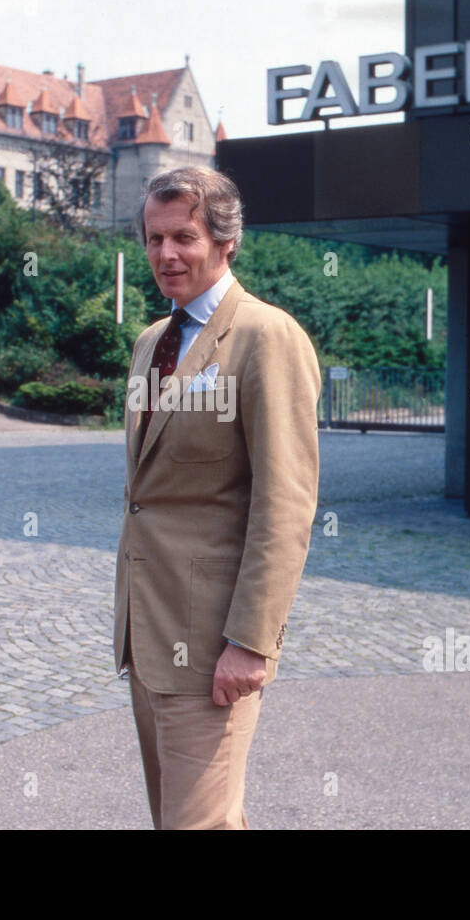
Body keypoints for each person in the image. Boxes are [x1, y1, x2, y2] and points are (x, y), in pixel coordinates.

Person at [113, 165, 321, 829]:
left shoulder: (267, 337)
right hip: (149, 632)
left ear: (226, 241)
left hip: (211, 644)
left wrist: (251, 641)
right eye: (153, 239)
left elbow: (284, 501)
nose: (165, 255)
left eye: (184, 237)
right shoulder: (152, 342)